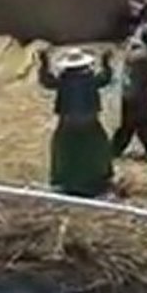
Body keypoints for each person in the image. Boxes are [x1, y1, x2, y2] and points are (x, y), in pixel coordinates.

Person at [38, 47, 114, 198]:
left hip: (69, 124)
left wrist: (44, 63)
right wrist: (106, 62)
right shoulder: (91, 79)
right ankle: (95, 180)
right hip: (89, 123)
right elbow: (106, 77)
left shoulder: (63, 80)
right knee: (94, 151)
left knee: (67, 152)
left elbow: (46, 81)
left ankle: (68, 181)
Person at [111, 33, 147, 160]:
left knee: (127, 125)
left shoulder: (132, 51)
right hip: (140, 95)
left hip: (128, 94)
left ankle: (114, 149)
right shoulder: (146, 55)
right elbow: (145, 79)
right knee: (146, 124)